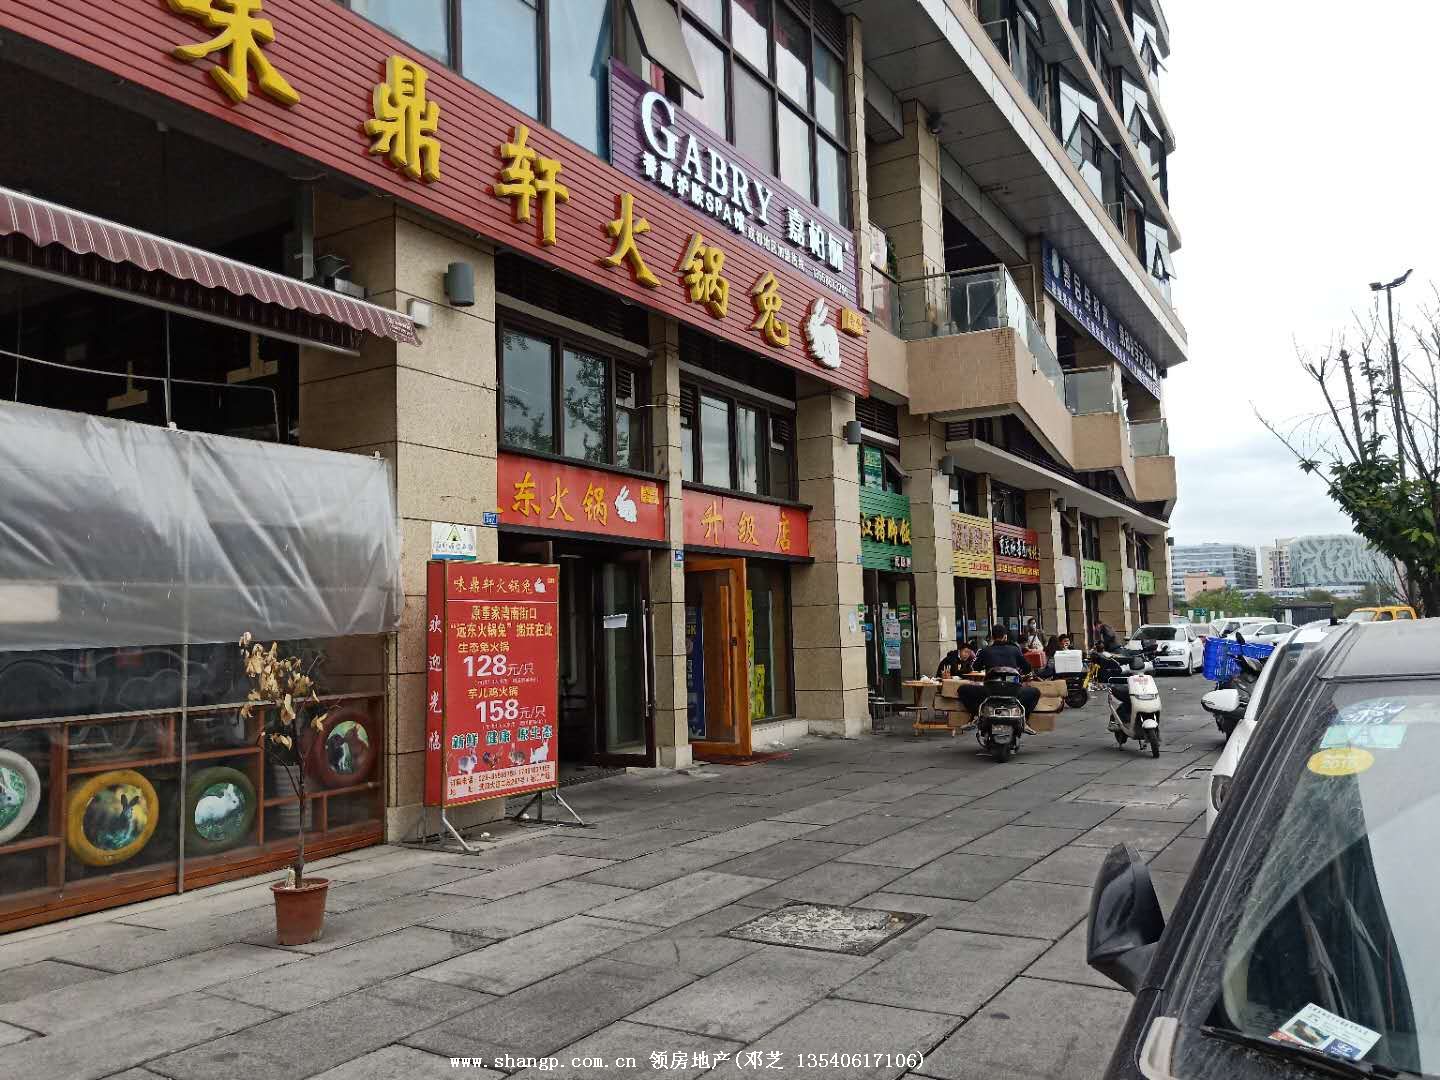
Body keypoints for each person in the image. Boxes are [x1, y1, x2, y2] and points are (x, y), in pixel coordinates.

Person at [957, 625, 1041, 718]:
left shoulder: (985, 651)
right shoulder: (1015, 650)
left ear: (992, 637)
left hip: (990, 691)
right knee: (1035, 692)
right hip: (1013, 691)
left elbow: (975, 667)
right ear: (1005, 637)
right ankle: (1023, 717)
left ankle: (977, 715)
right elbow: (1027, 668)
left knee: (962, 689)